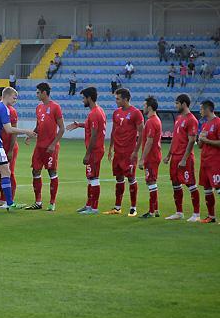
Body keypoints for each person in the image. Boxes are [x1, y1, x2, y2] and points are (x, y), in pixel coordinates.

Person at [103, 88, 144, 217]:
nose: (116, 101)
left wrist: (136, 151)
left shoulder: (136, 113)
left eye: (118, 99)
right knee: (119, 179)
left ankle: (133, 208)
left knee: (131, 178)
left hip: (129, 153)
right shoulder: (116, 113)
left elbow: (141, 133)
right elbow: (113, 131)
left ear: (125, 99)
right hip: (118, 152)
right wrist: (110, 148)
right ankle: (117, 207)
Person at [66, 86, 106, 215]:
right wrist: (79, 125)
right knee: (90, 177)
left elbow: (94, 135)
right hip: (96, 149)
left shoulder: (94, 113)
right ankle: (89, 205)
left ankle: (94, 208)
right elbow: (93, 127)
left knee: (94, 178)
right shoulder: (98, 111)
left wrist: (87, 154)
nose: (82, 100)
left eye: (83, 98)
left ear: (89, 98)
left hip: (94, 151)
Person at [26, 82, 65, 211]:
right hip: (39, 147)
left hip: (50, 147)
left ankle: (52, 203)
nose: (36, 95)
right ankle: (38, 202)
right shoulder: (38, 107)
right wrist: (31, 134)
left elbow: (62, 128)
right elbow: (38, 126)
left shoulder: (55, 107)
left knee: (52, 172)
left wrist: (53, 144)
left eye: (38, 92)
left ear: (44, 93)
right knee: (35, 171)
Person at [164, 94, 201, 222]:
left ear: (184, 104)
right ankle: (179, 212)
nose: (176, 106)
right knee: (175, 184)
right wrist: (169, 155)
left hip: (185, 158)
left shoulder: (192, 120)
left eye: (177, 103)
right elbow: (174, 138)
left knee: (190, 184)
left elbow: (191, 141)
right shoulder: (179, 118)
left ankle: (196, 214)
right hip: (175, 157)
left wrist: (184, 159)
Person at [0, 87, 20, 208]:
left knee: (9, 173)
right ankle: (2, 199)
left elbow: (13, 132)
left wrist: (11, 150)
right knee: (1, 173)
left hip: (9, 147)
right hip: (0, 146)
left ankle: (9, 200)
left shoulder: (11, 111)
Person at [138, 96, 163, 219]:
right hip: (155, 155)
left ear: (149, 107)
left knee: (151, 181)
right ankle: (156, 210)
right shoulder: (156, 120)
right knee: (151, 181)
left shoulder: (151, 121)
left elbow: (149, 141)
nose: (143, 108)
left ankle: (152, 211)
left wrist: (142, 158)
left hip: (151, 157)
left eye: (144, 105)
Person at [198, 100, 220, 223]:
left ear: (207, 109)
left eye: (201, 109)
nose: (200, 111)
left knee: (218, 188)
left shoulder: (218, 122)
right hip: (205, 162)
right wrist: (200, 139)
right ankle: (211, 216)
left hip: (215, 162)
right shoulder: (205, 124)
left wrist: (206, 140)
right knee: (207, 189)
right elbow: (200, 145)